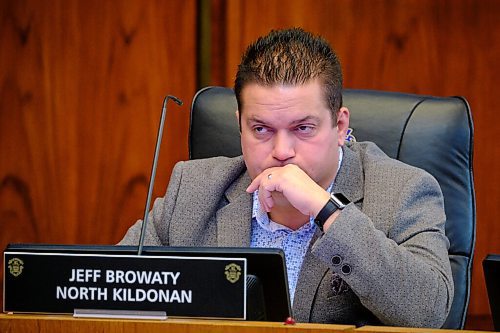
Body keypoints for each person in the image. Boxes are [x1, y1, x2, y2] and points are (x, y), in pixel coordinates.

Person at [119, 28, 453, 327]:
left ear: (339, 126)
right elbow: (108, 288)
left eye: (302, 128)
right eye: (260, 129)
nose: (281, 151)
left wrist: (327, 211)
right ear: (239, 125)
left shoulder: (403, 191)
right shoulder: (193, 189)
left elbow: (430, 311)